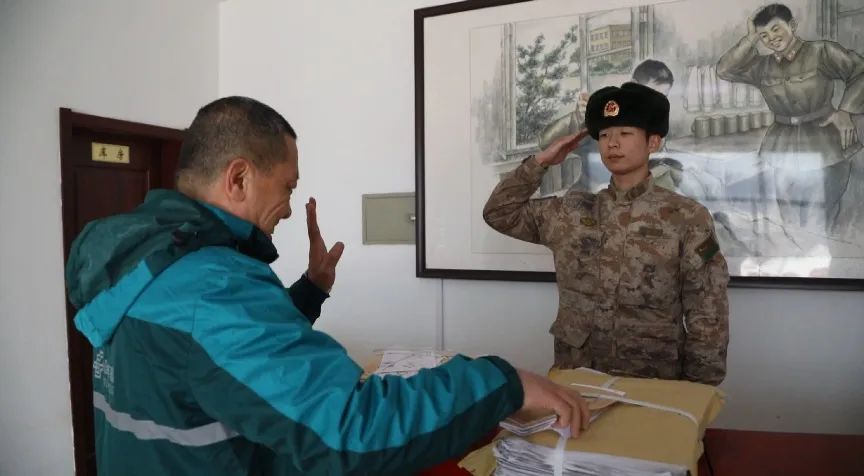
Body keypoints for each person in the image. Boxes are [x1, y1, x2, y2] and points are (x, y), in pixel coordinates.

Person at [65, 96, 589, 475]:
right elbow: (351, 429)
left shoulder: (146, 258)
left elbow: (209, 363)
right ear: (239, 178)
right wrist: (503, 383)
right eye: (287, 186)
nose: (289, 207)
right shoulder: (212, 285)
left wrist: (310, 290)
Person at [483, 83, 730, 385]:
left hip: (652, 379)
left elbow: (707, 308)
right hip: (576, 376)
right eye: (603, 135)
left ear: (653, 142)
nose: (612, 143)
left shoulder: (686, 217)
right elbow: (499, 213)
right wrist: (542, 162)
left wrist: (699, 389)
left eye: (625, 133)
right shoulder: (572, 211)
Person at [716, 3, 864, 233]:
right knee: (787, 215)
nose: (771, 39)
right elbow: (724, 70)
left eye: (776, 29)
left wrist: (845, 111)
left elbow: (860, 71)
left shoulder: (821, 51)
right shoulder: (761, 66)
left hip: (824, 143)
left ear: (792, 25)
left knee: (819, 215)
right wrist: (750, 38)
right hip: (781, 146)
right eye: (764, 35)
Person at [537, 59, 676, 194]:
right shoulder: (602, 116)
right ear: (633, 84)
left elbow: (660, 171)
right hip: (588, 200)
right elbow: (546, 143)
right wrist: (577, 118)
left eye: (663, 97)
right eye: (650, 95)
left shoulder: (655, 129)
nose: (655, 104)